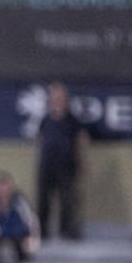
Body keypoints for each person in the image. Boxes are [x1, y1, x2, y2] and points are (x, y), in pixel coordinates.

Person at [35, 82, 88, 241]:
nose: (58, 99)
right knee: (43, 198)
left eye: (61, 96)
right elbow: (40, 138)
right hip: (47, 164)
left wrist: (80, 163)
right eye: (55, 96)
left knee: (67, 199)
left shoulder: (72, 120)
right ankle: (42, 230)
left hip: (66, 165)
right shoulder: (45, 119)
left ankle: (66, 230)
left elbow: (80, 141)